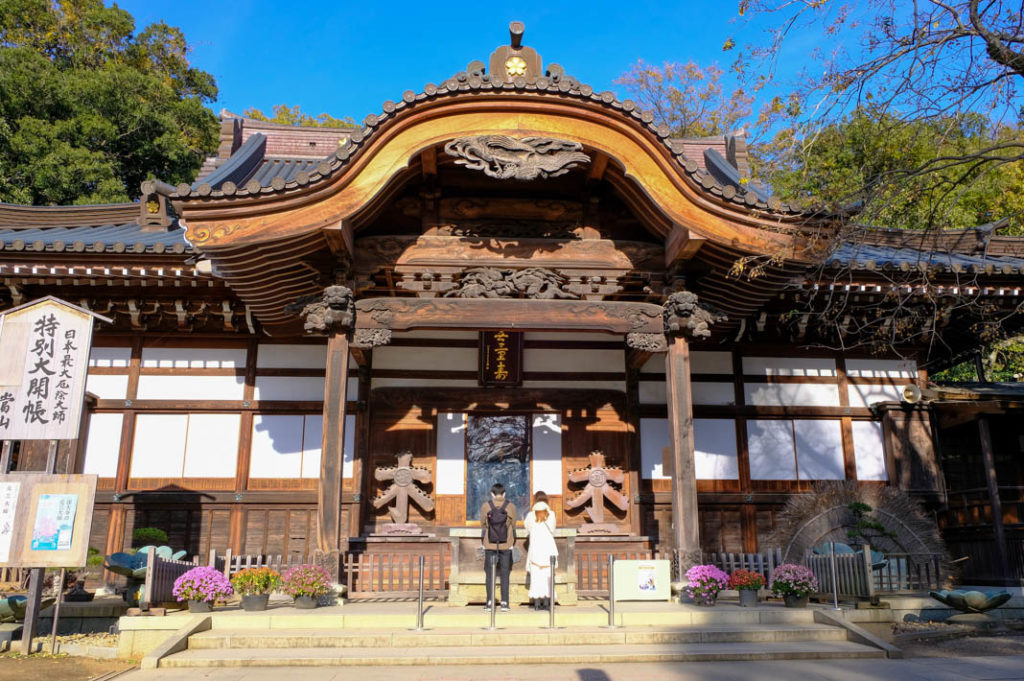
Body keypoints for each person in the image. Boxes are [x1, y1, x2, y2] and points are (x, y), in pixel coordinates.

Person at [480, 482, 516, 612]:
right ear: (504, 493)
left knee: (490, 573)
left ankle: (489, 602)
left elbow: (483, 524)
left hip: (490, 544)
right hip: (506, 545)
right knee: (505, 573)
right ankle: (505, 602)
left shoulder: (485, 506)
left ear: (492, 493)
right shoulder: (510, 506)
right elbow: (514, 524)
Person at [524, 490, 558, 610]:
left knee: (536, 577)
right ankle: (547, 602)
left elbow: (527, 529)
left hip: (535, 549)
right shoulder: (551, 514)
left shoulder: (530, 515)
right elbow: (553, 529)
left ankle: (537, 603)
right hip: (548, 549)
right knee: (548, 576)